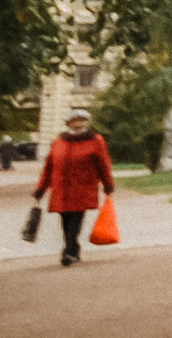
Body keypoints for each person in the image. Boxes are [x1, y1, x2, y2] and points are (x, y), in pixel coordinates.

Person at [34, 108, 115, 266]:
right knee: (65, 220)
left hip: (82, 188)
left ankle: (69, 251)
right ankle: (73, 248)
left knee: (76, 219)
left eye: (82, 120)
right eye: (75, 121)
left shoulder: (95, 140)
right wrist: (40, 189)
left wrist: (108, 184)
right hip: (61, 190)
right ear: (69, 123)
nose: (79, 124)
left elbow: (103, 163)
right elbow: (49, 167)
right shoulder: (59, 141)